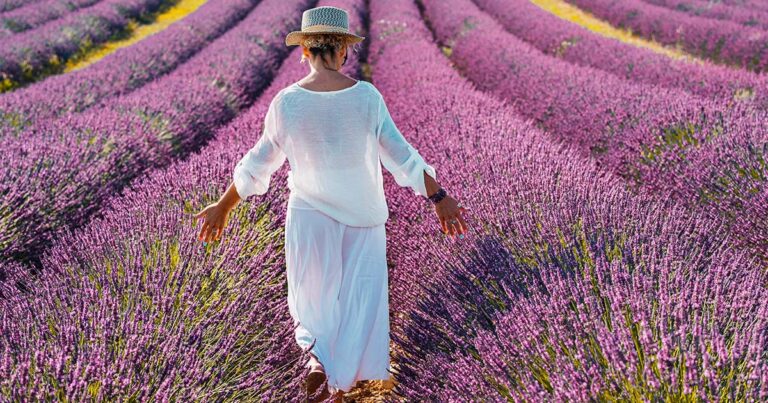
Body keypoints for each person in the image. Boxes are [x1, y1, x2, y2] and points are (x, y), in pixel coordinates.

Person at [194, 5, 468, 402]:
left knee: (312, 301)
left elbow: (257, 164)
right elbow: (402, 157)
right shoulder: (366, 98)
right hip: (362, 219)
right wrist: (439, 197)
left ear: (304, 51)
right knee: (358, 306)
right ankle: (338, 388)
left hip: (309, 217)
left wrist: (222, 206)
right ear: (343, 51)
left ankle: (316, 363)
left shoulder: (287, 103)